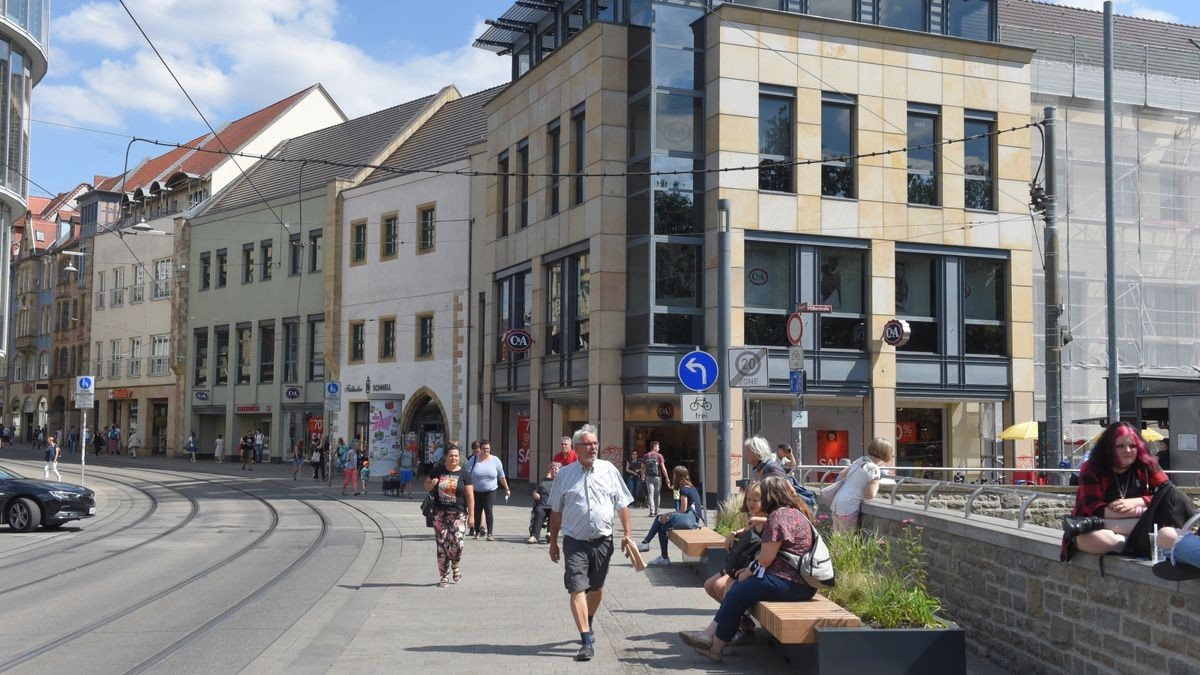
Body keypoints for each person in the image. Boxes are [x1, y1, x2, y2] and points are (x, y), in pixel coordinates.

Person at [679, 475, 818, 662]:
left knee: (737, 593)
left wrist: (748, 572)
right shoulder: (791, 513)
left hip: (791, 582)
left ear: (771, 496)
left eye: (764, 495)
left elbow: (766, 558)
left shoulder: (779, 517)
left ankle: (714, 646)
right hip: (797, 581)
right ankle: (711, 640)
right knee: (737, 590)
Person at [547, 424, 635, 662]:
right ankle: (586, 639)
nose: (593, 447)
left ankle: (589, 618)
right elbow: (556, 511)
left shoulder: (608, 470)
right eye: (588, 444)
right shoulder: (565, 475)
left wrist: (628, 534)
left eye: (595, 443)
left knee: (595, 589)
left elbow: (622, 503)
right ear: (577, 448)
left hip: (603, 541)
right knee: (576, 588)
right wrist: (553, 542)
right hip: (574, 541)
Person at [1061, 421, 1197, 561]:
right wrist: (1144, 511)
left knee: (1121, 540)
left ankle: (1130, 541)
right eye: (1120, 446)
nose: (1127, 450)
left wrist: (1138, 502)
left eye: (1132, 446)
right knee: (1103, 541)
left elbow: (1167, 493)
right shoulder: (1091, 467)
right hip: (1098, 526)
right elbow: (1094, 509)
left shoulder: (1147, 464)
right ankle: (1135, 543)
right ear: (1108, 448)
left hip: (1138, 522)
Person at [425, 442, 475, 587]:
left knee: (458, 544)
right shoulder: (438, 471)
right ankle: (444, 576)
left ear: (459, 457)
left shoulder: (465, 473)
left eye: (456, 456)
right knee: (442, 545)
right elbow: (426, 485)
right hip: (440, 513)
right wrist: (432, 484)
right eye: (451, 456)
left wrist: (472, 516)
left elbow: (470, 496)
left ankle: (455, 564)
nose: (454, 458)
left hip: (458, 513)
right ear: (446, 457)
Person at [636, 465, 705, 566]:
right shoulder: (691, 487)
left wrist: (668, 514)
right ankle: (653, 550)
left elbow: (683, 509)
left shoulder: (684, 489)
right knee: (662, 525)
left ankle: (649, 546)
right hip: (693, 519)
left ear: (677, 477)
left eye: (673, 475)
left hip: (690, 520)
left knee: (660, 519)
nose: (672, 477)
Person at [829, 437, 895, 532]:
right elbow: (870, 495)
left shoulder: (861, 460)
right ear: (886, 453)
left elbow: (842, 474)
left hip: (836, 503)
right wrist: (876, 482)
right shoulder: (874, 468)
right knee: (846, 541)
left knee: (836, 540)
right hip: (848, 507)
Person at [467, 440, 510, 541]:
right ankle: (477, 532)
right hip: (476, 490)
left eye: (488, 449)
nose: (486, 450)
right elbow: (466, 474)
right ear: (480, 449)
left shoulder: (495, 460)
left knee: (488, 510)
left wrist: (506, 488)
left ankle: (490, 533)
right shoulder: (473, 459)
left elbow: (501, 476)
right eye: (484, 449)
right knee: (477, 511)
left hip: (490, 490)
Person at [528, 462, 561, 544]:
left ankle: (550, 534)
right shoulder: (544, 480)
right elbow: (535, 490)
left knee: (553, 513)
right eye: (552, 469)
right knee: (538, 512)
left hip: (554, 506)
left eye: (556, 469)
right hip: (542, 505)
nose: (554, 470)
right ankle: (534, 536)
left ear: (560, 471)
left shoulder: (562, 481)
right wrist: (535, 494)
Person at [642, 441, 672, 517]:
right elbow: (663, 468)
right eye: (658, 447)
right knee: (657, 494)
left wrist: (643, 474)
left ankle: (651, 511)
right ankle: (657, 511)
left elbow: (643, 467)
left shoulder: (646, 455)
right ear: (654, 447)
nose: (659, 448)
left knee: (650, 494)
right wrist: (667, 478)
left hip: (649, 477)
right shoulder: (659, 456)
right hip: (657, 477)